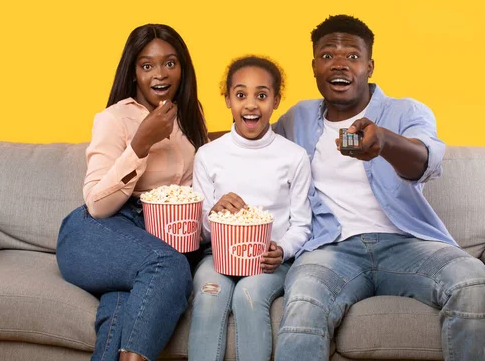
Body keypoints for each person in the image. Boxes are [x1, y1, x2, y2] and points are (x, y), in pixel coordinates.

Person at [273, 15, 485, 360]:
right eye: (328, 55)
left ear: (369, 66)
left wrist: (386, 142)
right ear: (314, 66)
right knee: (304, 301)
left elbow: (425, 159)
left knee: (470, 281)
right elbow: (253, 144)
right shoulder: (298, 117)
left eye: (352, 56)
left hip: (406, 245)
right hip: (331, 249)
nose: (340, 64)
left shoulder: (406, 110)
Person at [56, 23, 208, 361]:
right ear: (133, 71)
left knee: (119, 313)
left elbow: (197, 180)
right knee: (168, 266)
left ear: (183, 67)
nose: (160, 74)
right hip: (98, 231)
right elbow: (96, 205)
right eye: (147, 65)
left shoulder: (190, 115)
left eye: (170, 62)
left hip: (153, 236)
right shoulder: (114, 119)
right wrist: (141, 143)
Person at [188, 56, 312, 361]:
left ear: (276, 100)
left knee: (249, 295)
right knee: (209, 294)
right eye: (241, 95)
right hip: (217, 256)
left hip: (269, 263)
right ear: (228, 99)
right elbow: (199, 230)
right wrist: (212, 212)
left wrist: (281, 250)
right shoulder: (207, 155)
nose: (251, 105)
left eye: (262, 95)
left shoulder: (293, 157)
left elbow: (302, 225)